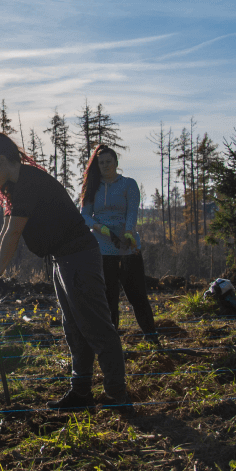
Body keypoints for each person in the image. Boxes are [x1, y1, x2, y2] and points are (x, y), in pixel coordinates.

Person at [0, 133, 127, 410]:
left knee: (95, 326)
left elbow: (16, 231)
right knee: (74, 329)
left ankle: (117, 395)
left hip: (79, 256)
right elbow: (8, 229)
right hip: (63, 259)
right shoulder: (20, 185)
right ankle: (80, 392)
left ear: (2, 160)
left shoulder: (30, 183)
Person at [79, 145, 158, 339]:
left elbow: (132, 211)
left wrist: (129, 233)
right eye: (101, 162)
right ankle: (111, 340)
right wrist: (100, 228)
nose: (105, 165)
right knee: (108, 298)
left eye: (109, 161)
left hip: (127, 246)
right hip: (102, 249)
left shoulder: (128, 184)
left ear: (116, 163)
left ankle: (151, 336)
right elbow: (85, 216)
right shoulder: (92, 187)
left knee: (137, 295)